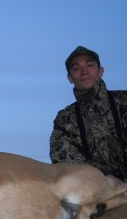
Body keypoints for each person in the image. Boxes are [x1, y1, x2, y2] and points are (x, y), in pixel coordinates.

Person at [50, 46, 127, 180]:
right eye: (76, 68)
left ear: (101, 71)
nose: (84, 71)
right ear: (70, 78)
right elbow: (62, 160)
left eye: (89, 65)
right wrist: (105, 179)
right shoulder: (65, 119)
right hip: (98, 193)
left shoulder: (124, 102)